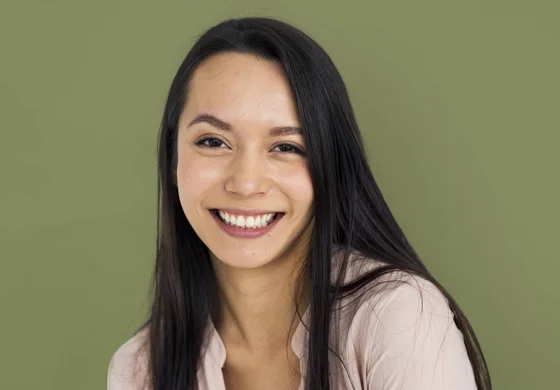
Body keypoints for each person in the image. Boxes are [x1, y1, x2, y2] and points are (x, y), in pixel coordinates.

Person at [107, 17, 491, 390]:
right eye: (212, 141)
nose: (245, 182)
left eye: (286, 147)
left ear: (330, 166)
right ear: (173, 155)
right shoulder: (141, 369)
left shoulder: (396, 315)